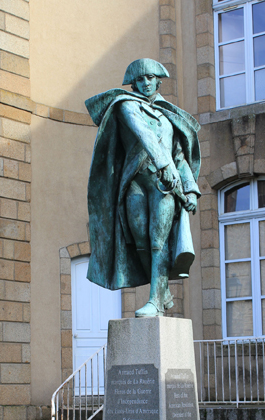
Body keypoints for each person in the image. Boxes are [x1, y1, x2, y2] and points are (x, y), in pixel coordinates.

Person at [85, 58, 201, 317]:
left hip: (164, 187)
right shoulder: (126, 105)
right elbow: (142, 134)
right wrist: (164, 164)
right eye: (140, 79)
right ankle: (161, 289)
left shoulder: (168, 116)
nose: (146, 83)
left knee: (158, 241)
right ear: (133, 82)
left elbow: (180, 158)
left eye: (150, 78)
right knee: (139, 240)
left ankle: (156, 301)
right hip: (135, 183)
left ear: (159, 80)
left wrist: (190, 189)